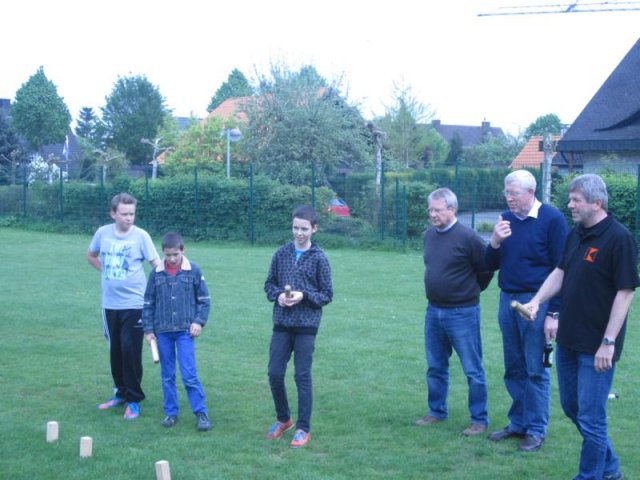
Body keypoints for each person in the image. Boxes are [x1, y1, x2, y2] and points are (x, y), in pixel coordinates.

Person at [521, 174, 637, 480]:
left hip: (598, 345)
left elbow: (625, 293)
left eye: (576, 200)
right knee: (573, 409)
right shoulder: (576, 234)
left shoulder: (619, 238)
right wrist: (536, 301)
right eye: (570, 198)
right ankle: (611, 470)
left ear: (596, 203)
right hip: (569, 340)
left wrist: (608, 342)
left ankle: (590, 476)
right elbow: (560, 271)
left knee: (592, 417)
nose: (569, 204)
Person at [485, 170, 569, 452]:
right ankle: (518, 423)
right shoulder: (505, 219)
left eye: (514, 193)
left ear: (531, 192)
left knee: (537, 368)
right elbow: (489, 265)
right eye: (506, 193)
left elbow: (563, 269)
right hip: (507, 300)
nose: (509, 198)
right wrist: (495, 241)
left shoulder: (552, 220)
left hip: (538, 302)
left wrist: (554, 313)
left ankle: (536, 429)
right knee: (514, 366)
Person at [415, 188, 494, 436]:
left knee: (472, 368)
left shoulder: (468, 237)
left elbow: (486, 269)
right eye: (430, 209)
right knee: (435, 366)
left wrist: (468, 292)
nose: (433, 214)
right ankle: (436, 411)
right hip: (434, 311)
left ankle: (479, 419)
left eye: (438, 209)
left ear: (452, 209)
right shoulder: (429, 236)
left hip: (462, 312)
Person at [264, 205, 333, 448]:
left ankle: (303, 428)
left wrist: (303, 295)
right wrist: (278, 296)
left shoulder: (319, 258)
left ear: (314, 228)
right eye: (295, 228)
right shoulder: (281, 254)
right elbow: (269, 285)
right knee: (274, 373)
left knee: (302, 375)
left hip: (306, 325)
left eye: (304, 228)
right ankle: (284, 419)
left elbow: (327, 294)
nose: (299, 233)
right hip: (282, 323)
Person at [87, 192, 160, 420]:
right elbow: (91, 255)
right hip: (110, 304)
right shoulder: (103, 233)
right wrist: (107, 271)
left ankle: (134, 400)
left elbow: (156, 263)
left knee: (130, 350)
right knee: (116, 350)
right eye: (124, 214)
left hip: (135, 304)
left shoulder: (141, 236)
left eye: (132, 214)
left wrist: (161, 288)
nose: (129, 218)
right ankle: (120, 393)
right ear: (113, 213)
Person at [142, 232, 212, 432]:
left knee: (189, 374)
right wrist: (148, 330)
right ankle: (171, 413)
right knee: (167, 375)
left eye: (175, 254)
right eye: (167, 255)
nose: (171, 259)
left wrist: (199, 322)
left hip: (185, 332)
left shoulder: (194, 270)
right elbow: (148, 302)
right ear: (162, 253)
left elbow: (204, 300)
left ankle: (201, 413)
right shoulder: (156, 273)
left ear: (183, 250)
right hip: (162, 332)